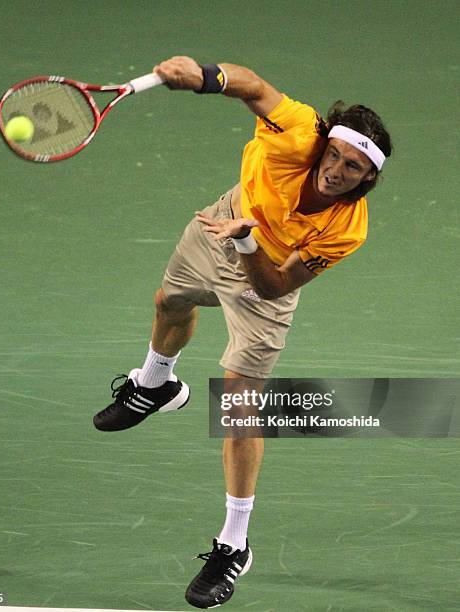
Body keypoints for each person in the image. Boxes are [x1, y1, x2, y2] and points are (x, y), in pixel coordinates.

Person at [93, 56, 392, 609]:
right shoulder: (299, 129)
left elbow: (276, 286)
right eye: (335, 156)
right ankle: (157, 384)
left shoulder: (347, 229)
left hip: (264, 270)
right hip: (221, 223)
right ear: (324, 144)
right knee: (170, 301)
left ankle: (235, 543)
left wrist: (248, 240)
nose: (336, 171)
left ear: (368, 178)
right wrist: (204, 76)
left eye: (353, 168)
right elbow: (252, 85)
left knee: (238, 403)